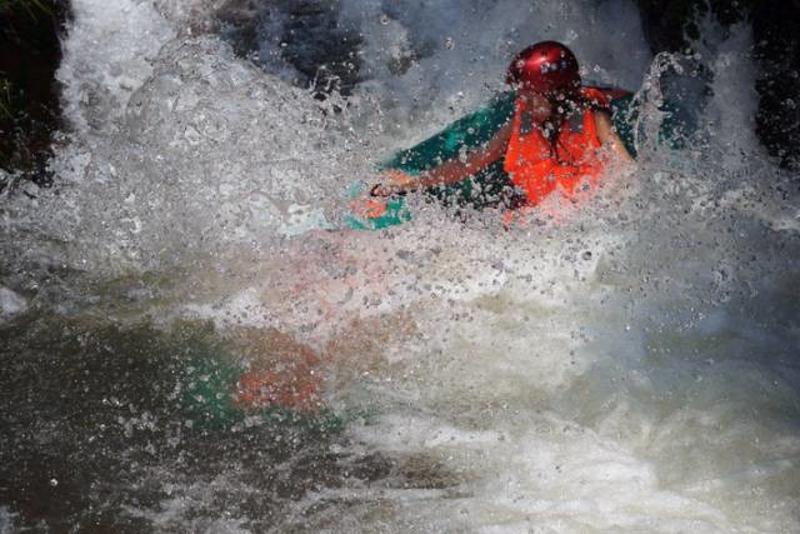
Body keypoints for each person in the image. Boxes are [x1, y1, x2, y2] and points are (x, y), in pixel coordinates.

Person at [370, 41, 634, 210]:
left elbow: (625, 168)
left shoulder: (593, 116)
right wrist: (411, 184)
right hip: (538, 213)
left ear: (557, 95)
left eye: (530, 96)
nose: (522, 102)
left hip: (576, 214)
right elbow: (474, 161)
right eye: (522, 95)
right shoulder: (525, 118)